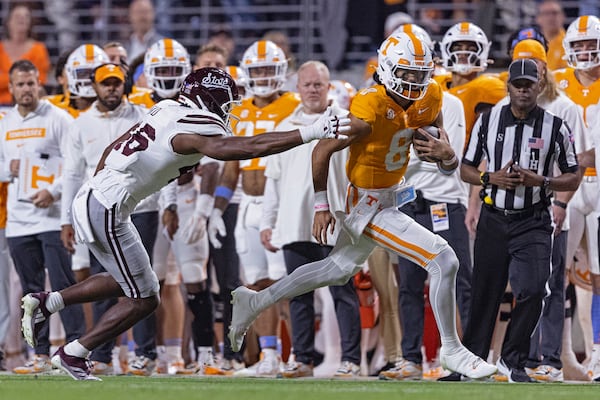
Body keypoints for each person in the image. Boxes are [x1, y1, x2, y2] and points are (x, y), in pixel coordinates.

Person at [19, 67, 350, 381]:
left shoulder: (165, 108)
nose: (228, 111)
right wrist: (310, 132)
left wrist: (105, 191)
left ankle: (48, 303)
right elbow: (240, 148)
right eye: (225, 103)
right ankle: (74, 352)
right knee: (144, 297)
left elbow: (110, 150)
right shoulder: (195, 125)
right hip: (108, 205)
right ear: (208, 100)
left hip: (97, 197)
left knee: (136, 282)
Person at [228, 31, 497, 381]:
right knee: (444, 259)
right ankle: (452, 349)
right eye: (407, 73)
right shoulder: (368, 105)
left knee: (336, 270)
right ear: (386, 69)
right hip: (367, 203)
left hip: (390, 196)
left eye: (420, 74)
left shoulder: (431, 96)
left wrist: (448, 157)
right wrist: (322, 205)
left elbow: (443, 162)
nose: (415, 82)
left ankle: (253, 302)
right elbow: (321, 150)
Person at [460, 58, 580, 383]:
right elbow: (466, 168)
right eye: (518, 84)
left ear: (540, 86)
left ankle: (512, 361)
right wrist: (491, 178)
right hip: (493, 218)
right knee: (484, 292)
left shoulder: (555, 125)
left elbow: (573, 176)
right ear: (508, 86)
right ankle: (472, 364)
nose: (524, 90)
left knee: (534, 289)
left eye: (530, 84)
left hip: (534, 219)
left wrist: (540, 182)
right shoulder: (487, 121)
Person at [260, 61, 362, 378]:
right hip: (293, 223)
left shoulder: (346, 124)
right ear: (297, 88)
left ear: (328, 86)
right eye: (307, 84)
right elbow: (273, 181)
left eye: (319, 84)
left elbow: (357, 177)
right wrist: (268, 221)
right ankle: (302, 359)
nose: (313, 89)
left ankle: (351, 360)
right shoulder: (285, 125)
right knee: (298, 295)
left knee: (342, 292)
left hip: (335, 221)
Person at [60, 63, 159, 377]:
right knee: (109, 280)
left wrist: (168, 204)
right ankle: (101, 354)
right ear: (94, 86)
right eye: (106, 84)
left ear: (125, 85)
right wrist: (67, 219)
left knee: (143, 281)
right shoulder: (80, 124)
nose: (112, 88)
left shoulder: (144, 115)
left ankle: (143, 353)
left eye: (117, 83)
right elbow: (73, 174)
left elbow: (162, 161)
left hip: (142, 207)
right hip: (102, 211)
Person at [208, 40, 300, 377]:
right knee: (258, 286)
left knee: (285, 283)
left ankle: (300, 354)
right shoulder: (240, 109)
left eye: (267, 68)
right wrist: (216, 209)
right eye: (256, 69)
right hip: (247, 206)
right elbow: (231, 167)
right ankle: (269, 357)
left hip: (281, 204)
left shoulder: (293, 106)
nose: (262, 75)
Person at [0, 60, 85, 374]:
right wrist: (6, 173)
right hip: (19, 221)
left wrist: (54, 191)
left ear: (40, 83)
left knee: (64, 286)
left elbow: (78, 166)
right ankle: (37, 355)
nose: (26, 89)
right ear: (11, 88)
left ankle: (77, 350)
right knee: (29, 293)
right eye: (20, 84)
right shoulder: (4, 123)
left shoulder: (59, 119)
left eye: (30, 83)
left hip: (52, 218)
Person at [555, 15, 600, 382]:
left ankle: (597, 350)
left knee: (598, 273)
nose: (586, 51)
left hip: (599, 187)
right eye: (580, 45)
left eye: (591, 44)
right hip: (567, 185)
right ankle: (561, 352)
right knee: (558, 273)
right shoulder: (556, 85)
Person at [0, 3, 50, 105]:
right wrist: (24, 79)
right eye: (18, 16)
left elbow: (40, 80)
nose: (22, 19)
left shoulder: (39, 49)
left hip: (28, 104)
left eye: (26, 16)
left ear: (30, 22)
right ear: (8, 22)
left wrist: (6, 78)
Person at [536, 0, 567, 71]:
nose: (551, 18)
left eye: (555, 13)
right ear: (538, 19)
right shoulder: (533, 44)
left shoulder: (570, 43)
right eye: (546, 14)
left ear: (563, 16)